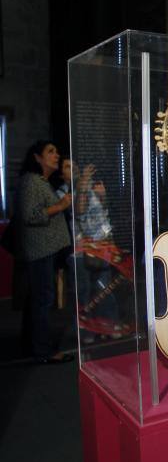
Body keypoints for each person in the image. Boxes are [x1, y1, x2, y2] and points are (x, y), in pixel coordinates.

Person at [16, 141, 73, 363]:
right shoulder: (32, 182)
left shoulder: (40, 182)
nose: (56, 156)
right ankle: (43, 350)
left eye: (56, 152)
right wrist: (60, 206)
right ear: (37, 158)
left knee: (39, 300)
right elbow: (30, 215)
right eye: (50, 152)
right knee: (42, 300)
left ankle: (34, 346)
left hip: (44, 251)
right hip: (39, 251)